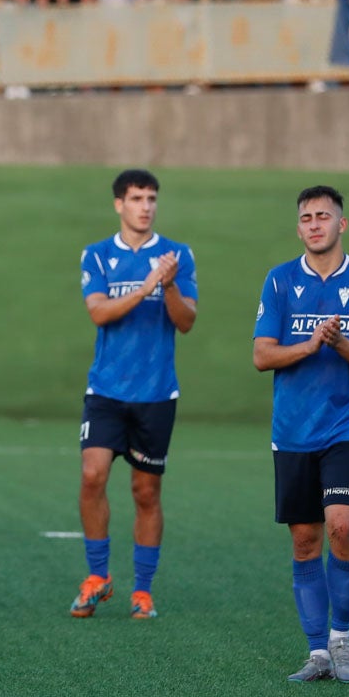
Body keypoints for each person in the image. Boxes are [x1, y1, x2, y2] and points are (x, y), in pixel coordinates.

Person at [252, 185, 349, 684]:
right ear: (299, 228)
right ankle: (316, 653)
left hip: (345, 429)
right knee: (306, 540)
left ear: (342, 224)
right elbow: (262, 355)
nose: (315, 224)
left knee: (340, 525)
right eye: (306, 218)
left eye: (324, 216)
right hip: (292, 432)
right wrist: (311, 345)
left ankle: (341, 638)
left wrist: (342, 343)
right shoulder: (279, 280)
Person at [71, 170, 197, 621]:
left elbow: (186, 321)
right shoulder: (99, 255)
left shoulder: (177, 256)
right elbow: (99, 312)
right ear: (118, 205)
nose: (146, 206)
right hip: (105, 390)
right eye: (137, 198)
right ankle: (97, 576)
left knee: (146, 491)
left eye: (152, 198)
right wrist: (145, 286)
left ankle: (142, 590)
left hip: (156, 394)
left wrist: (168, 286)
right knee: (92, 475)